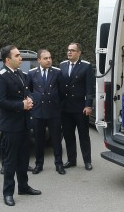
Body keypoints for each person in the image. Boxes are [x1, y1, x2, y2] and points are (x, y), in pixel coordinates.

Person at [0, 45, 41, 207]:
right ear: (8, 59)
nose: (21, 58)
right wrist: (21, 105)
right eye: (18, 56)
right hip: (11, 126)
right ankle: (8, 192)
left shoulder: (20, 73)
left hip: (24, 124)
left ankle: (24, 187)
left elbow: (26, 92)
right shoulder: (0, 77)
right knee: (10, 160)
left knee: (23, 158)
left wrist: (29, 99)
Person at [27, 49, 65, 175]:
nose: (49, 60)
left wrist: (57, 105)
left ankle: (59, 164)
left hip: (54, 111)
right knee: (39, 139)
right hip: (38, 111)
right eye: (45, 58)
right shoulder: (32, 73)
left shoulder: (57, 72)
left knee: (55, 139)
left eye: (50, 58)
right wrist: (34, 101)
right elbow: (29, 91)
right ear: (39, 60)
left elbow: (62, 91)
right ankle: (39, 164)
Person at [59, 42, 94, 171]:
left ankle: (87, 161)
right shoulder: (62, 65)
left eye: (72, 50)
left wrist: (88, 105)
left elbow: (90, 88)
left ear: (78, 53)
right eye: (68, 50)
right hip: (66, 108)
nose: (69, 52)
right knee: (68, 135)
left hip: (80, 107)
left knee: (83, 135)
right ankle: (71, 160)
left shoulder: (86, 66)